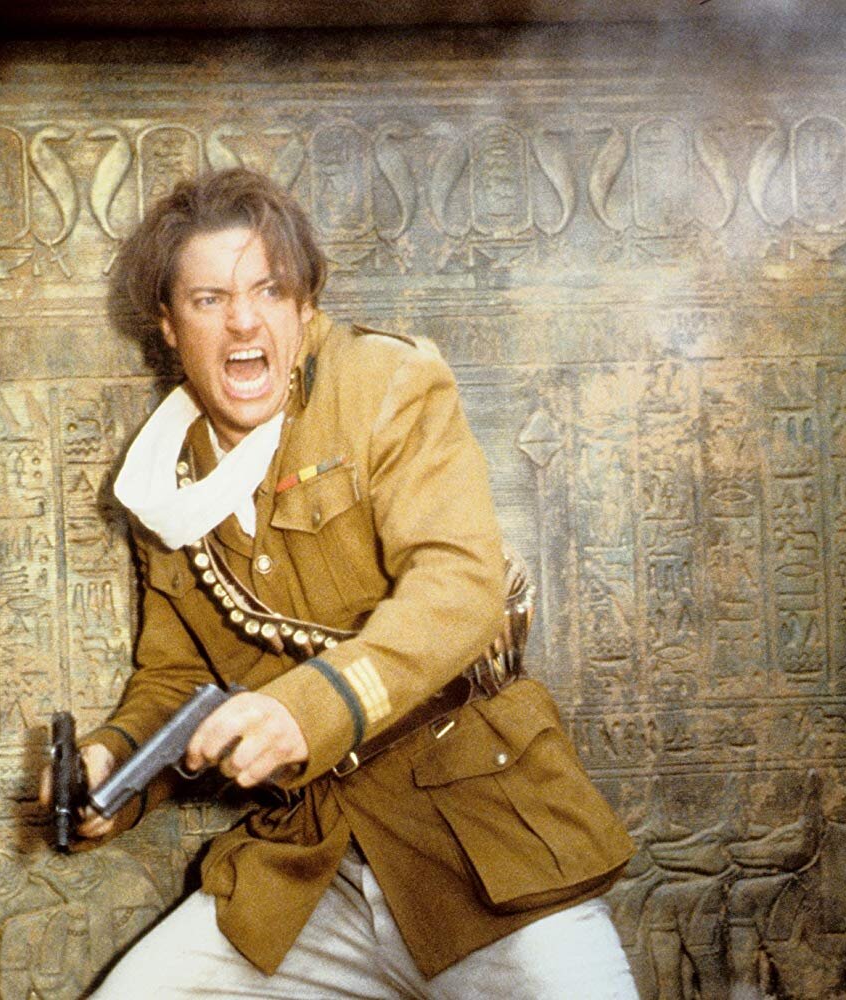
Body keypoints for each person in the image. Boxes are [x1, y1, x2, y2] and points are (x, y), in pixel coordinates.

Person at [53, 167, 638, 998]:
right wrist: (114, 765)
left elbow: (459, 584)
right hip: (310, 861)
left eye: (269, 289)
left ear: (304, 305)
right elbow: (177, 681)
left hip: (480, 844)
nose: (244, 320)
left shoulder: (384, 385)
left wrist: (309, 710)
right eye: (210, 299)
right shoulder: (162, 481)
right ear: (170, 325)